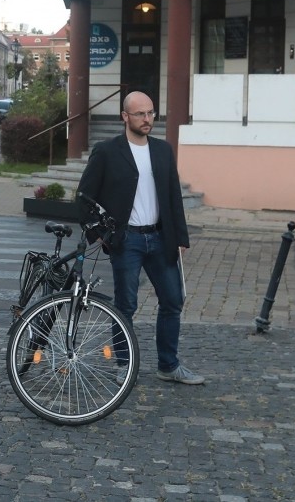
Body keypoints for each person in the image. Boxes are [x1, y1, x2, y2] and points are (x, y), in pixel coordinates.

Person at [76, 91, 204, 385]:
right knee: (125, 306)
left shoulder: (162, 150)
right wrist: (100, 234)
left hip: (160, 239)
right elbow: (84, 197)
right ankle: (124, 365)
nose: (147, 119)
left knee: (173, 300)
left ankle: (168, 365)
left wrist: (181, 237)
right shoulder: (108, 151)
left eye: (151, 113)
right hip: (127, 241)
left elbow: (173, 196)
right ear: (125, 117)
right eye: (140, 114)